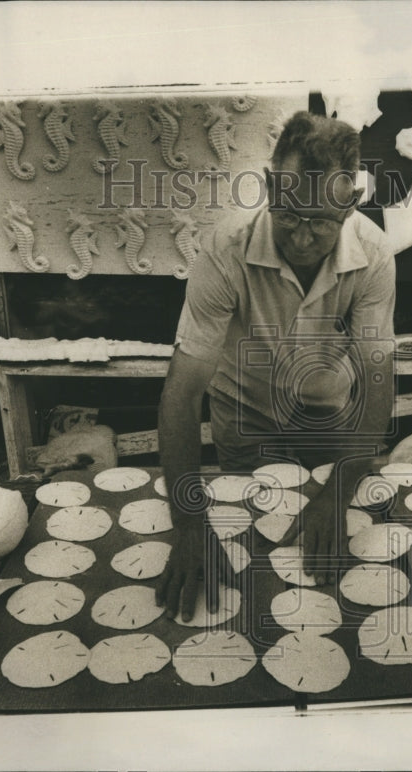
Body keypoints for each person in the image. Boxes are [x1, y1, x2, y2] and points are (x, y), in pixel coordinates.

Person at [155, 111, 396, 621]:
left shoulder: (374, 255)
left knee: (325, 578)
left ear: (350, 206)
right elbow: (182, 392)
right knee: (250, 569)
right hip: (246, 416)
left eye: (323, 223)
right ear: (269, 187)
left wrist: (340, 488)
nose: (303, 238)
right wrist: (189, 523)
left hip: (329, 421)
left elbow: (378, 381)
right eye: (288, 215)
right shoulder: (226, 248)